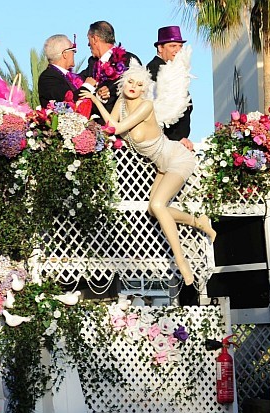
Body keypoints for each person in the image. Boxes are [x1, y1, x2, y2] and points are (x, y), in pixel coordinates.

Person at [80, 65, 216, 285]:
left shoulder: (146, 105)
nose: (134, 87)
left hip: (177, 158)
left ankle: (181, 261)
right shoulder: (121, 103)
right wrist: (95, 104)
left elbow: (117, 129)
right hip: (162, 165)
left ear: (144, 89)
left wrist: (96, 101)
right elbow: (110, 126)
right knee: (154, 210)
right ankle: (197, 221)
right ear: (122, 82)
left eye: (139, 84)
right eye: (130, 81)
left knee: (158, 205)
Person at [78, 21, 141, 119]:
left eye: (88, 39)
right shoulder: (92, 64)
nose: (88, 44)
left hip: (122, 122)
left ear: (95, 39)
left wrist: (106, 92)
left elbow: (138, 89)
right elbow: (78, 82)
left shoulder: (128, 60)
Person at [147, 26, 194, 152]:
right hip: (166, 142)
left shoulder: (174, 69)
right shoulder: (155, 69)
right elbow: (160, 110)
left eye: (180, 46)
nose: (178, 50)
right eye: (173, 46)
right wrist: (176, 137)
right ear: (160, 48)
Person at [38, 34, 83, 107]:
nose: (74, 53)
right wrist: (88, 86)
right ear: (65, 54)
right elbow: (68, 97)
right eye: (73, 50)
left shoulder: (70, 77)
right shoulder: (48, 77)